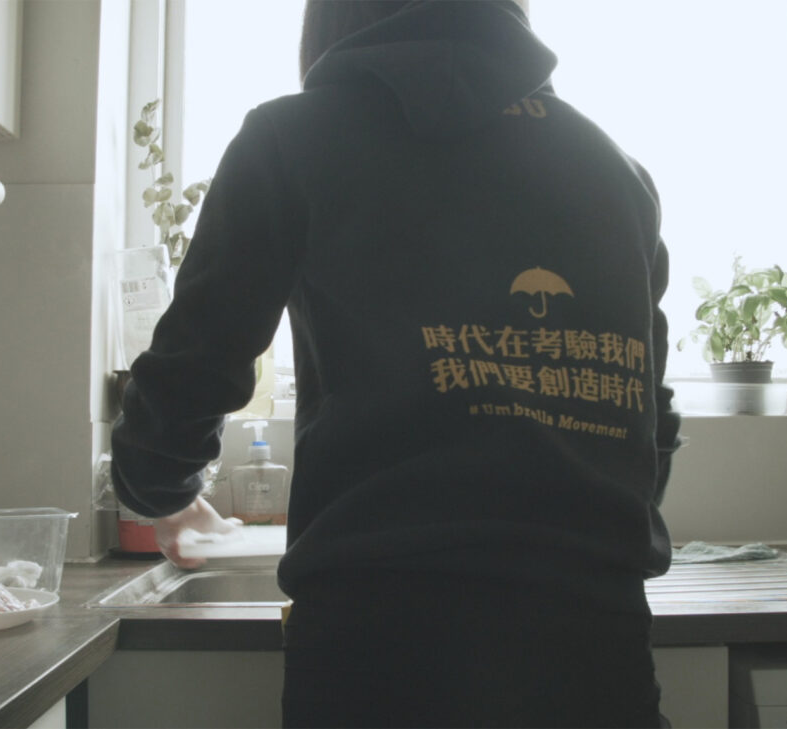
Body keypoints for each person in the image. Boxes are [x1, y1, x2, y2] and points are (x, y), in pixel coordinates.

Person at [111, 1, 681, 726]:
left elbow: (191, 373)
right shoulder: (614, 169)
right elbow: (650, 421)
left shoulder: (293, 138)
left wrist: (162, 487)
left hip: (380, 643)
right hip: (598, 646)